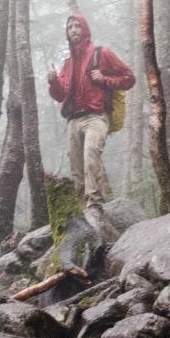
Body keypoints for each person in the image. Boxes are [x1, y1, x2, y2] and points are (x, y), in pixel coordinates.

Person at [46, 14, 135, 242]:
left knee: (91, 156)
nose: (73, 30)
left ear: (85, 29)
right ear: (67, 33)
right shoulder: (67, 64)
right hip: (73, 120)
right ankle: (82, 210)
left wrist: (105, 79)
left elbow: (129, 78)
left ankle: (95, 206)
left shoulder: (100, 53)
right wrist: (53, 81)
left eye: (77, 26)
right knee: (76, 168)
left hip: (96, 116)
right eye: (70, 27)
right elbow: (60, 96)